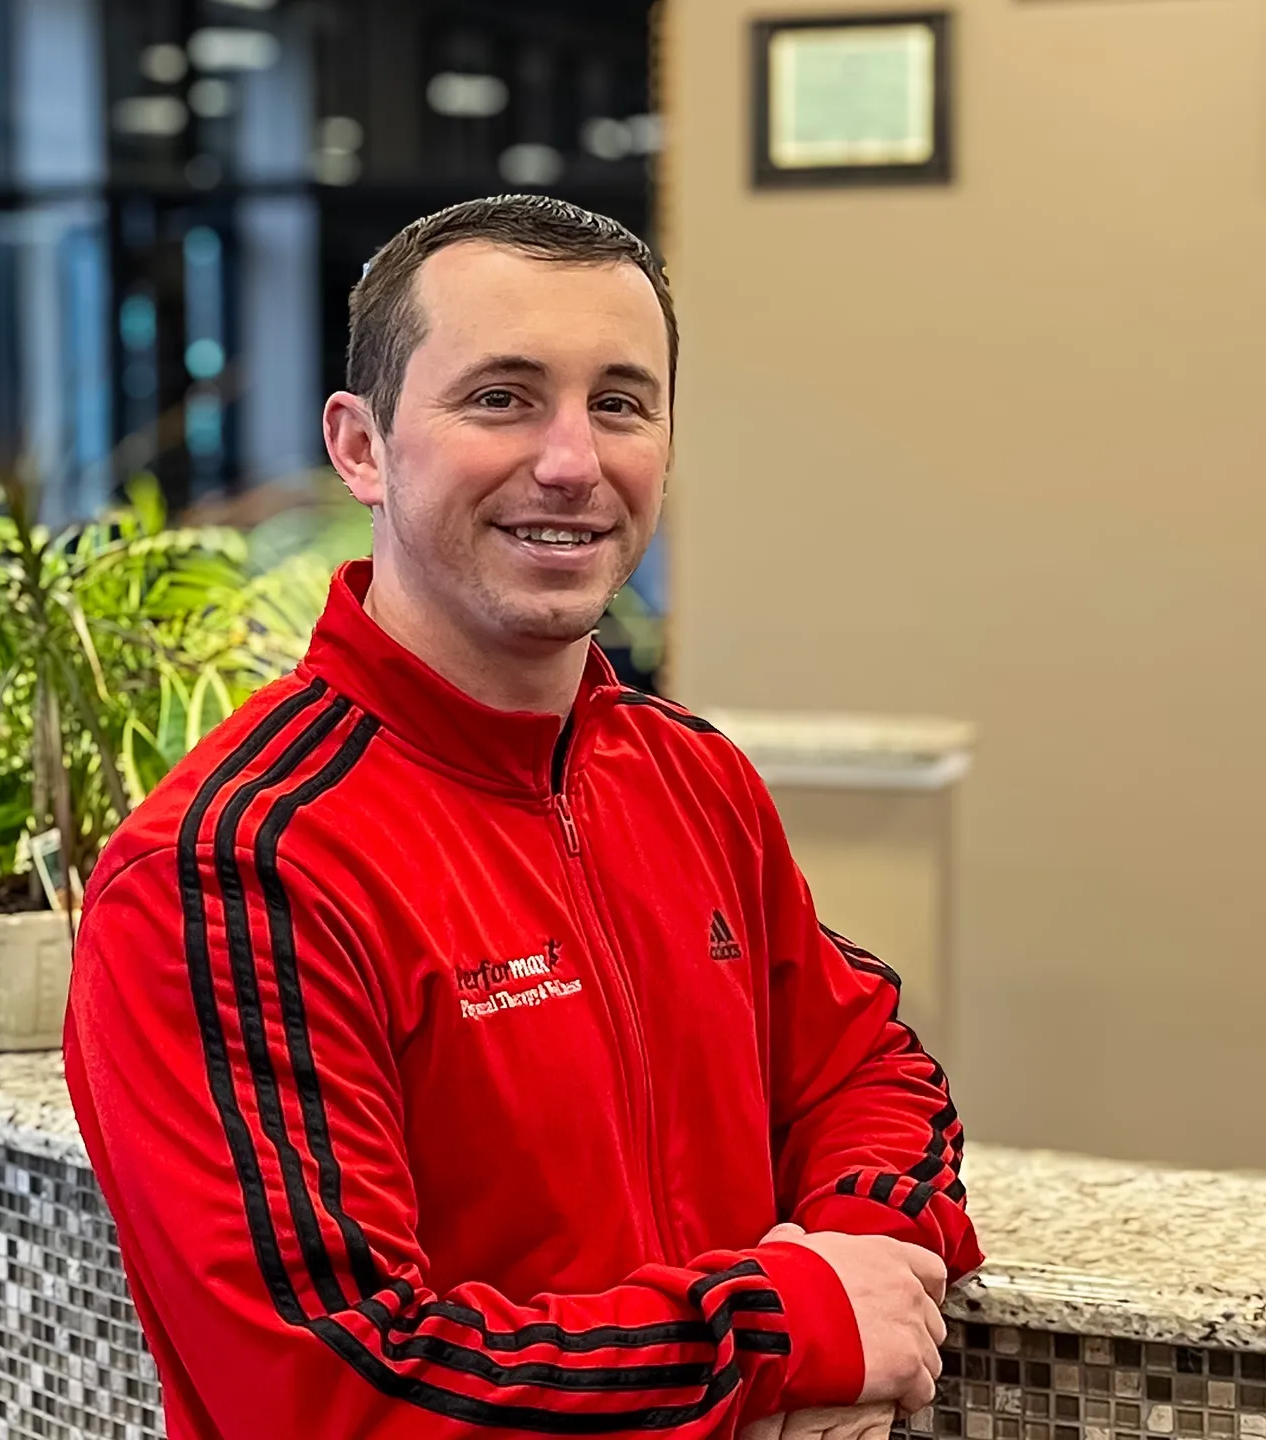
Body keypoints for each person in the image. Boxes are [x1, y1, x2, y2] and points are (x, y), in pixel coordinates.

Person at [64, 194, 983, 1440]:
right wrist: (781, 1330)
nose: (572, 461)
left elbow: (867, 1065)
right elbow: (343, 1389)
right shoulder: (239, 872)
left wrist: (858, 1247)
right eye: (501, 397)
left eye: (619, 401)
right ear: (361, 447)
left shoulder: (686, 777)